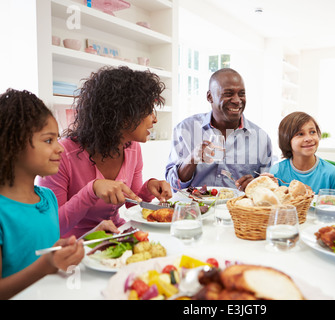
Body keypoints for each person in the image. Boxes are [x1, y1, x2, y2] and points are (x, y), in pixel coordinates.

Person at [38, 66, 172, 239]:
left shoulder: (132, 148)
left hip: (116, 235)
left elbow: (132, 203)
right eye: (148, 111)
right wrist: (90, 191)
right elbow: (51, 226)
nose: (154, 119)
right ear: (122, 116)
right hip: (75, 247)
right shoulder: (62, 155)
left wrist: (148, 188)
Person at [0, 89, 84, 299]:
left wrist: (94, 236)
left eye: (57, 139)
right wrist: (45, 266)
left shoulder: (48, 198)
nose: (60, 149)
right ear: (15, 143)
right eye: (48, 141)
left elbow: (51, 253)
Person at [165, 68, 274, 191]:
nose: (237, 100)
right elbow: (172, 185)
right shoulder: (185, 129)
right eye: (228, 94)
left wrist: (257, 186)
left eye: (241, 94)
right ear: (210, 96)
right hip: (194, 208)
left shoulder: (262, 139)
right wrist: (192, 158)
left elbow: (269, 188)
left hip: (237, 209)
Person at [268, 112, 335, 194]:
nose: (309, 138)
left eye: (312, 132)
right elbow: (272, 205)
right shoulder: (277, 171)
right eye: (300, 134)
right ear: (286, 140)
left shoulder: (330, 172)